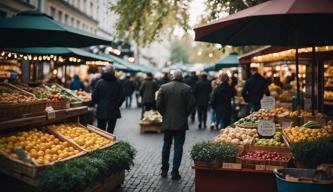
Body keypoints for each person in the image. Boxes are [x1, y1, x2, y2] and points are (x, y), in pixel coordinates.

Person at [157, 69, 195, 180]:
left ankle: (164, 170)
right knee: (178, 147)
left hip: (168, 121)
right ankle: (175, 172)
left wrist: (165, 114)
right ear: (181, 77)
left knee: (166, 146)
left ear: (172, 76)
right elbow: (192, 104)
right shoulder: (187, 88)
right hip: (180, 122)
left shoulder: (164, 87)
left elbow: (158, 104)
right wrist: (185, 114)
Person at [92, 65, 124, 134]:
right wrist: (117, 105)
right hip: (113, 109)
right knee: (110, 131)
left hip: (101, 109)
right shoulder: (118, 83)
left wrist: (98, 103)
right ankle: (110, 144)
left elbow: (94, 96)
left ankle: (103, 144)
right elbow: (122, 97)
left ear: (105, 72)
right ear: (114, 73)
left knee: (101, 131)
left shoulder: (99, 82)